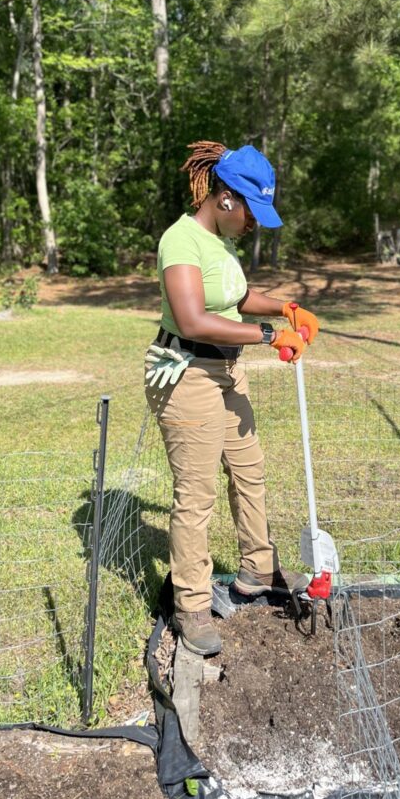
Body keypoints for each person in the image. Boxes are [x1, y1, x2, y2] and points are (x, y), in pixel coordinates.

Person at [144, 140, 321, 657]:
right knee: (195, 496)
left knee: (249, 470)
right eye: (250, 213)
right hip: (187, 374)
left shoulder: (222, 244)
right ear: (225, 199)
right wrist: (269, 336)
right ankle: (192, 606)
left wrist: (287, 308)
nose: (253, 225)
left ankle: (256, 571)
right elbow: (196, 317)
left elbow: (238, 299)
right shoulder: (181, 241)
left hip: (226, 369)